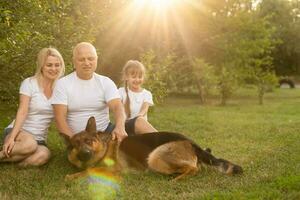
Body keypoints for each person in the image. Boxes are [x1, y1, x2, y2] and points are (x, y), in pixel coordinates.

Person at [51, 42, 156, 142]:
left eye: (90, 58)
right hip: (79, 139)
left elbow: (117, 107)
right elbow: (60, 119)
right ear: (74, 61)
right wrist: (74, 141)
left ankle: (166, 145)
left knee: (139, 122)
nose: (87, 63)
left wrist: (120, 127)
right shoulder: (63, 84)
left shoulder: (105, 82)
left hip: (106, 132)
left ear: (96, 59)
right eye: (82, 59)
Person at [0, 47, 65, 167]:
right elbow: (22, 111)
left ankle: (11, 162)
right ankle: (11, 149)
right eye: (49, 65)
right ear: (41, 66)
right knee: (30, 145)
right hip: (20, 132)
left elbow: (64, 116)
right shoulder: (29, 83)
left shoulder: (61, 89)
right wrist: (12, 138)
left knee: (44, 155)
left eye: (57, 65)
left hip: (39, 139)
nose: (54, 69)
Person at [118, 60, 157, 134]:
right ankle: (163, 140)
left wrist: (138, 118)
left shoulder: (146, 94)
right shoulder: (121, 92)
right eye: (134, 77)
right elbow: (119, 111)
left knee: (140, 120)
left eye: (140, 77)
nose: (137, 80)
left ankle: (161, 138)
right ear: (126, 77)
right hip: (125, 128)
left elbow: (144, 110)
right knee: (139, 120)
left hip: (140, 127)